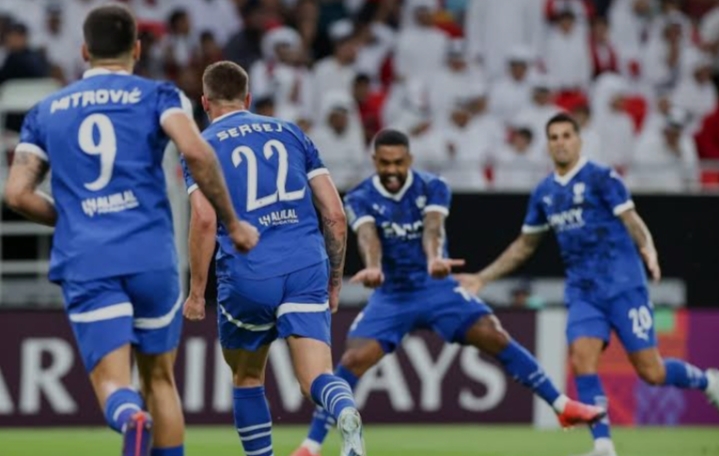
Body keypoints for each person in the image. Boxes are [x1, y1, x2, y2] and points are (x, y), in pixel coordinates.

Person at [2, 5, 258, 456]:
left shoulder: (46, 110)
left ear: (84, 51)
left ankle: (128, 417)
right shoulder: (160, 96)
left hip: (89, 258)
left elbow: (17, 195)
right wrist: (233, 222)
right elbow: (197, 152)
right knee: (160, 380)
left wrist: (75, 216)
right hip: (152, 258)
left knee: (112, 381)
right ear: (137, 50)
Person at [291, 128, 605, 456]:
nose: (392, 170)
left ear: (410, 159)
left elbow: (433, 228)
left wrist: (434, 258)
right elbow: (368, 236)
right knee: (353, 360)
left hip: (436, 287)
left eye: (398, 162)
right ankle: (312, 445)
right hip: (393, 294)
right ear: (374, 161)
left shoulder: (433, 186)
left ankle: (561, 405)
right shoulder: (359, 197)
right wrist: (372, 266)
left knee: (494, 335)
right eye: (385, 163)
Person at [456, 112, 719, 456]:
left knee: (651, 372)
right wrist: (482, 277)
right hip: (583, 293)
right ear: (548, 145)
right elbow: (524, 245)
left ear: (579, 140)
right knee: (582, 360)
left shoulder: (601, 177)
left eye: (567, 135)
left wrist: (648, 247)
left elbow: (631, 218)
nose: (561, 143)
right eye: (554, 137)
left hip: (624, 286)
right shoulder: (544, 193)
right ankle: (603, 445)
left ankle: (707, 381)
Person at [180, 61, 365, 456]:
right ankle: (344, 409)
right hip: (305, 266)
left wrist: (196, 292)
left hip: (249, 272)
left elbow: (204, 219)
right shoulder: (291, 132)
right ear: (247, 98)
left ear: (205, 102)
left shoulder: (200, 145)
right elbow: (335, 213)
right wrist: (334, 282)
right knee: (315, 378)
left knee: (248, 378)